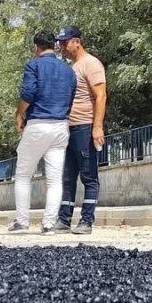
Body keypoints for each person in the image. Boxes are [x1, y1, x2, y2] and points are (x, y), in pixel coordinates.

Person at [8, 30, 76, 233]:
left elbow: (28, 92)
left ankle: (22, 221)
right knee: (55, 179)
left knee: (23, 174)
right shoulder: (68, 70)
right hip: (60, 126)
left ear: (36, 47)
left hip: (38, 124)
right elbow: (71, 96)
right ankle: (48, 224)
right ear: (54, 46)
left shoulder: (34, 65)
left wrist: (19, 115)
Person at [56, 25, 108, 235]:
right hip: (68, 128)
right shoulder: (73, 66)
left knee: (88, 175)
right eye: (60, 43)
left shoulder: (91, 64)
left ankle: (87, 220)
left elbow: (101, 96)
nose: (62, 47)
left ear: (77, 41)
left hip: (85, 127)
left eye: (65, 42)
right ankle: (64, 219)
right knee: (68, 176)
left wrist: (97, 126)